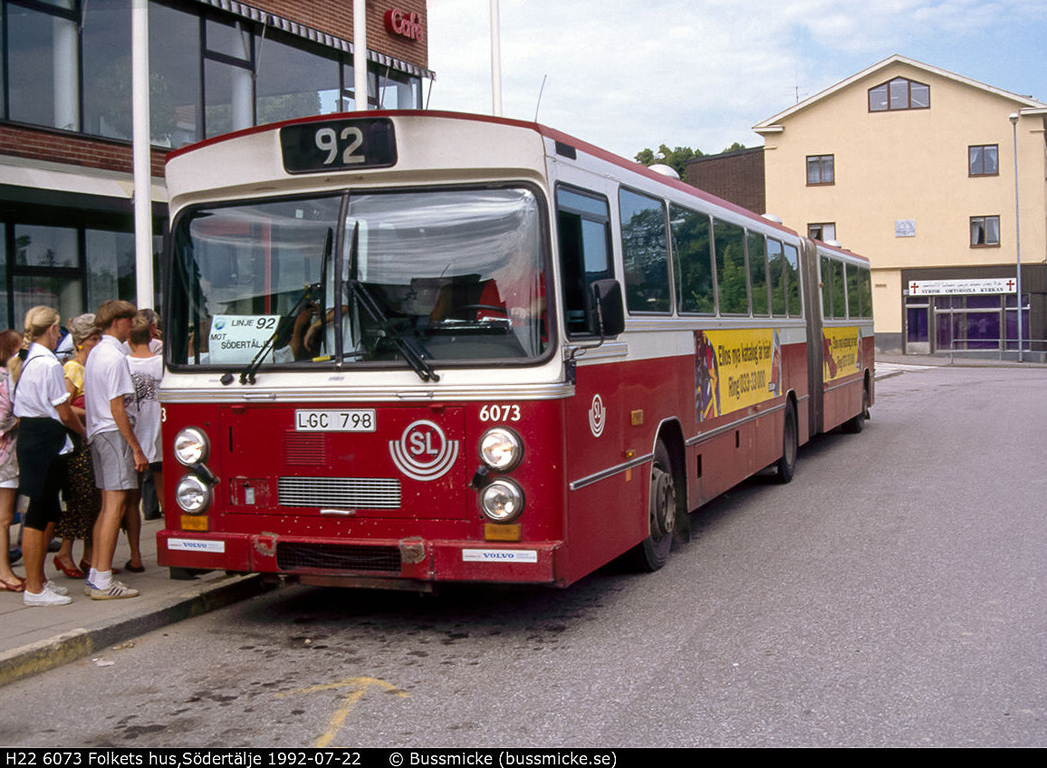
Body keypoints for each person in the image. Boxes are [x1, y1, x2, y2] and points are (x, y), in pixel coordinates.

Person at [14, 307, 86, 606]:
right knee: (38, 513)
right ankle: (34, 587)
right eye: (58, 329)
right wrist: (84, 432)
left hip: (35, 437)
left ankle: (39, 581)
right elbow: (64, 411)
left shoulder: (33, 359)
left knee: (45, 511)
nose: (61, 334)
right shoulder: (49, 364)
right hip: (45, 439)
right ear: (51, 329)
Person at [84, 300, 146, 600]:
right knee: (116, 506)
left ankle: (97, 574)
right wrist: (136, 448)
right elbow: (117, 407)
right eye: (129, 320)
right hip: (113, 431)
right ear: (117, 321)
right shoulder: (115, 357)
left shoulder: (96, 352)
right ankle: (103, 579)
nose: (132, 326)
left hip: (98, 431)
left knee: (108, 506)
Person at [53, 313, 103, 578]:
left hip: (91, 438)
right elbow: (65, 405)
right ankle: (64, 552)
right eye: (94, 338)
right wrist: (89, 413)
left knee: (94, 499)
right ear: (81, 341)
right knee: (80, 499)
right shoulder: (73, 368)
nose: (97, 342)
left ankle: (89, 556)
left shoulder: (92, 365)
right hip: (78, 440)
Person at [127, 313, 163, 556]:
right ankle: (174, 546)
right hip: (160, 434)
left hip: (134, 437)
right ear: (151, 335)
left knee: (132, 501)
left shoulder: (123, 364)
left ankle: (135, 554)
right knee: (166, 495)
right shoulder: (162, 364)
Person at [0, 329, 24, 593]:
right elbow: (4, 417)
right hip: (5, 457)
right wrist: (19, 419)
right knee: (4, 518)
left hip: (6, 456)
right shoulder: (5, 377)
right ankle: (4, 571)